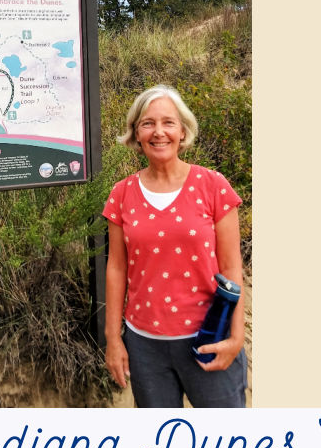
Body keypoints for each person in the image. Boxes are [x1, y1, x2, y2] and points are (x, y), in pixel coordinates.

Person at [103, 84, 246, 407]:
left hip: (210, 337)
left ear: (183, 131)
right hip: (145, 347)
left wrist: (236, 338)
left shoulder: (213, 186)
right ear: (136, 133)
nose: (158, 132)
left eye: (168, 122)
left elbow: (231, 267)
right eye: (147, 123)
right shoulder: (121, 194)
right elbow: (116, 269)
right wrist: (114, 339)